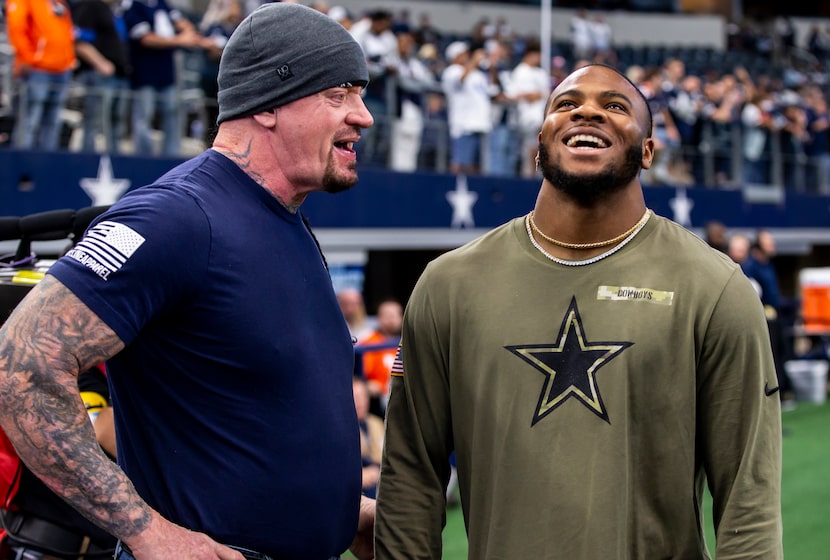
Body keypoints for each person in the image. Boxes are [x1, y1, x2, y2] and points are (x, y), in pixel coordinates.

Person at [0, 4, 375, 560]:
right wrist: (146, 530)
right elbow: (19, 366)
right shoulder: (177, 217)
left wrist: (347, 510)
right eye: (339, 94)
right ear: (268, 105)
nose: (363, 116)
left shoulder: (285, 219)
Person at [375, 64, 783, 559]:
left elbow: (749, 497)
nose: (587, 110)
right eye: (566, 104)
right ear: (539, 143)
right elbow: (410, 477)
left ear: (648, 150)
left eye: (615, 106)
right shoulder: (448, 285)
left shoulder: (715, 287)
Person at [122, 0, 212, 156]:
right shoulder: (134, 5)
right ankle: (143, 157)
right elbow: (146, 38)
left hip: (167, 73)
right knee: (144, 116)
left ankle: (171, 156)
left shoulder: (161, 4)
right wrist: (179, 40)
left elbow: (182, 22)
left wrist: (187, 32)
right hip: (144, 74)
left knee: (172, 113)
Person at [5, 0, 76, 150]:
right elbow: (16, 27)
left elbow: (66, 31)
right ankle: (22, 161)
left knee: (53, 121)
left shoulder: (58, 2)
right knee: (30, 118)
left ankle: (47, 163)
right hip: (36, 69)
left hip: (61, 69)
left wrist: (69, 60)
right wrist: (27, 57)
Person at [72, 0, 132, 154]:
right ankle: (89, 158)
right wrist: (101, 63)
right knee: (95, 121)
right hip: (99, 75)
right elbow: (80, 43)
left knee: (117, 122)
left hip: (119, 76)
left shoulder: (114, 11)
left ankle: (114, 158)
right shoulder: (90, 6)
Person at [357, 298, 403, 417]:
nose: (391, 320)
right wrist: (367, 385)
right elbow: (360, 378)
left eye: (394, 315)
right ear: (378, 318)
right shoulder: (369, 343)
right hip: (380, 405)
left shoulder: (409, 341)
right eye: (386, 315)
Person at [351, 376, 384, 500]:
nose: (360, 402)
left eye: (362, 396)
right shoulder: (342, 429)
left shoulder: (376, 423)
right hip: (360, 492)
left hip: (382, 481)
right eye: (355, 397)